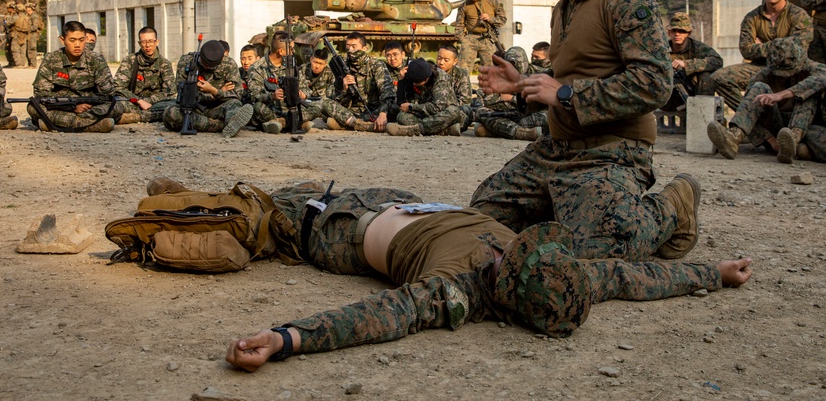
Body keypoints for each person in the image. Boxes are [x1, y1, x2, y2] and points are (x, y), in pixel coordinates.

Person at [221, 180, 752, 371]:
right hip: (412, 204)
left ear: (506, 289)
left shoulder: (456, 292)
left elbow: (379, 316)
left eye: (511, 260)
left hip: (341, 231)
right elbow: (633, 278)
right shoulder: (570, 278)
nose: (510, 249)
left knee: (268, 216)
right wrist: (714, 274)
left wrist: (286, 338)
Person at [468, 0, 693, 262]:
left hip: (613, 150)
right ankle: (576, 211)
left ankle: (672, 205)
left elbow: (655, 84)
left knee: (599, 251)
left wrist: (565, 94)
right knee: (481, 222)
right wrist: (522, 85)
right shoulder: (562, 8)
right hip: (558, 149)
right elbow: (564, 82)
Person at [707, 36, 826, 164]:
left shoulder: (813, 68)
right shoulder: (764, 76)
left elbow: (821, 78)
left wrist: (782, 94)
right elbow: (749, 112)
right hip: (779, 128)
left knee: (808, 94)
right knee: (758, 88)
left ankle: (796, 144)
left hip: (809, 127)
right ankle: (734, 137)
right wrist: (771, 141)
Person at [712, 0, 813, 112]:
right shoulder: (752, 18)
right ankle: (750, 117)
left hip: (791, 70)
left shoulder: (799, 16)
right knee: (719, 77)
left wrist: (764, 46)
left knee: (816, 80)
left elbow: (798, 50)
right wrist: (780, 46)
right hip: (761, 68)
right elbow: (746, 50)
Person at [28, 20, 124, 133]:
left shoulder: (96, 59)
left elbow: (107, 93)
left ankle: (52, 124)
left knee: (117, 106)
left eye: (81, 40)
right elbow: (41, 93)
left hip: (89, 107)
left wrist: (87, 104)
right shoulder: (51, 59)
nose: (77, 45)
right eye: (72, 40)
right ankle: (91, 126)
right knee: (33, 107)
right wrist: (72, 106)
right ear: (62, 40)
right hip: (60, 107)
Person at [163, 39, 253, 138]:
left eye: (210, 67)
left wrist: (214, 91)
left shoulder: (229, 64)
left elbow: (237, 94)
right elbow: (183, 92)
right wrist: (214, 94)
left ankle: (231, 123)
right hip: (194, 108)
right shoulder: (186, 62)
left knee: (235, 105)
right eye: (204, 64)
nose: (206, 68)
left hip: (218, 108)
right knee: (171, 113)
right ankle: (220, 125)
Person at [319, 32, 395, 132]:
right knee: (324, 104)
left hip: (373, 110)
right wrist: (344, 89)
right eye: (348, 46)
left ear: (364, 48)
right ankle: (360, 125)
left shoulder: (376, 65)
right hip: (351, 112)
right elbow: (333, 98)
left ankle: (348, 124)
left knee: (394, 108)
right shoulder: (341, 65)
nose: (350, 49)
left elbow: (387, 91)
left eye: (354, 46)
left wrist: (382, 114)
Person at [246, 34, 314, 133]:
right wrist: (272, 96)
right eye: (291, 49)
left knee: (317, 106)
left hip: (291, 109)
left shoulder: (291, 66)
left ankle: (279, 123)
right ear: (281, 51)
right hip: (271, 110)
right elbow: (254, 96)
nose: (293, 52)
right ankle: (295, 123)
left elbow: (306, 88)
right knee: (257, 107)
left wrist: (302, 94)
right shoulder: (258, 68)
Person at [473, 47, 544, 141]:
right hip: (508, 114)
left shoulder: (539, 73)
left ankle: (498, 130)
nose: (512, 67)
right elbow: (485, 98)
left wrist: (512, 98)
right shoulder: (503, 74)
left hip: (531, 114)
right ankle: (522, 133)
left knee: (540, 118)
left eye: (514, 64)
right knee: (481, 113)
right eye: (509, 63)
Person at [386, 57, 466, 136]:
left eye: (417, 82)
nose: (414, 84)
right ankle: (445, 131)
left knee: (454, 111)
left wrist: (411, 107)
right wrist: (401, 80)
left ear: (427, 79)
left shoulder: (441, 79)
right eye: (412, 82)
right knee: (401, 116)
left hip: (443, 114)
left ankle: (414, 130)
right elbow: (402, 104)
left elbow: (437, 108)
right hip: (426, 115)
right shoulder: (412, 75)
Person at [113, 26, 176, 124]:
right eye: (144, 42)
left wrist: (149, 101)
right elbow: (118, 87)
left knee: (174, 106)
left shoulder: (164, 63)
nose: (147, 45)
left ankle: (135, 117)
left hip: (155, 104)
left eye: (151, 41)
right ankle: (148, 116)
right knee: (114, 104)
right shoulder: (130, 61)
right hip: (133, 102)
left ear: (157, 42)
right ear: (139, 43)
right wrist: (139, 101)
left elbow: (170, 92)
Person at [661, 12, 723, 111]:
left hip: (693, 92)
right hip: (668, 95)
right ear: (669, 33)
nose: (677, 34)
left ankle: (703, 112)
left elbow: (717, 61)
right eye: (674, 31)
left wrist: (687, 64)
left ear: (688, 33)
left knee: (706, 75)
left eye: (681, 31)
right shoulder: (661, 50)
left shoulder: (698, 48)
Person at [455, 0, 506, 72]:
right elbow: (459, 25)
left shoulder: (493, 2)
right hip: (470, 39)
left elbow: (502, 20)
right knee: (462, 70)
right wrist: (463, 40)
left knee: (491, 70)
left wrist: (490, 19)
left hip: (487, 38)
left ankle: (489, 87)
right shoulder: (464, 5)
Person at [436, 44, 475, 129]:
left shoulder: (461, 74)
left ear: (455, 61)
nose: (441, 63)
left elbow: (465, 100)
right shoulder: (431, 72)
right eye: (439, 58)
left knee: (466, 110)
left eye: (446, 60)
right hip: (434, 109)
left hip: (453, 110)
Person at [9, 3, 32, 68]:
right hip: (24, 35)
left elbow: (8, 23)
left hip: (16, 34)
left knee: (15, 50)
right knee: (23, 50)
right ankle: (22, 63)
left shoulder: (15, 17)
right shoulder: (27, 17)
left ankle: (18, 64)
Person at [25, 3, 43, 67]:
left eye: (28, 8)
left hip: (33, 34)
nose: (26, 9)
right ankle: (30, 64)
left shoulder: (34, 16)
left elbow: (35, 26)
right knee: (28, 49)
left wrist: (26, 29)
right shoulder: (29, 16)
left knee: (32, 49)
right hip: (29, 34)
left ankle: (33, 64)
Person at [1, 2, 17, 67]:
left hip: (14, 34)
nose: (8, 9)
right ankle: (10, 62)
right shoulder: (8, 15)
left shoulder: (15, 16)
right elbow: (5, 23)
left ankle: (14, 63)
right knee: (7, 49)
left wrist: (6, 21)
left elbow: (8, 23)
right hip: (9, 34)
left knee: (13, 49)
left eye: (9, 8)